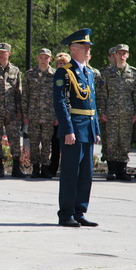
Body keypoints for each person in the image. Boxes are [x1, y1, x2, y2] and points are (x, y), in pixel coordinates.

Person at [53, 28, 101, 228]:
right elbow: (60, 102)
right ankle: (66, 214)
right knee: (70, 173)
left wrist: (96, 128)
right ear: (73, 49)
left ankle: (80, 211)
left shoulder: (88, 72)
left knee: (86, 175)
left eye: (89, 46)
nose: (88, 50)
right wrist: (68, 129)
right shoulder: (64, 72)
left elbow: (92, 103)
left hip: (88, 128)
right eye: (84, 46)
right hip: (74, 128)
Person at [96, 44, 136, 181]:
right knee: (112, 142)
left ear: (127, 55)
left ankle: (122, 170)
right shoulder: (107, 73)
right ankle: (112, 170)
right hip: (111, 113)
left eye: (124, 53)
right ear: (114, 55)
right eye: (119, 53)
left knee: (125, 143)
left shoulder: (133, 72)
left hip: (127, 113)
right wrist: (102, 111)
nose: (121, 56)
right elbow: (103, 94)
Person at [0, 43, 24, 178]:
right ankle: (0, 168)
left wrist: (19, 110)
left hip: (12, 111)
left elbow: (19, 92)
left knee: (14, 139)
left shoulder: (15, 70)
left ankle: (16, 168)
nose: (1, 54)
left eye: (3, 52)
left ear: (9, 53)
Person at [22, 48, 57, 179]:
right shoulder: (30, 74)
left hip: (49, 116)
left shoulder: (55, 75)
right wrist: (25, 116)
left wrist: (57, 116)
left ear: (50, 59)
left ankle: (45, 168)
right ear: (37, 58)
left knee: (47, 143)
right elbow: (25, 96)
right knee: (34, 143)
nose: (43, 60)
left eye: (46, 57)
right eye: (41, 57)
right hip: (33, 115)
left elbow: (59, 97)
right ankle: (35, 168)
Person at [49, 52, 71, 177]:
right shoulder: (53, 77)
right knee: (55, 144)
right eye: (60, 63)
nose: (62, 65)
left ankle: (66, 168)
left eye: (65, 63)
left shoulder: (71, 77)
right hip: (52, 116)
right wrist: (55, 117)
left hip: (68, 116)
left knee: (67, 145)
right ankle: (53, 168)